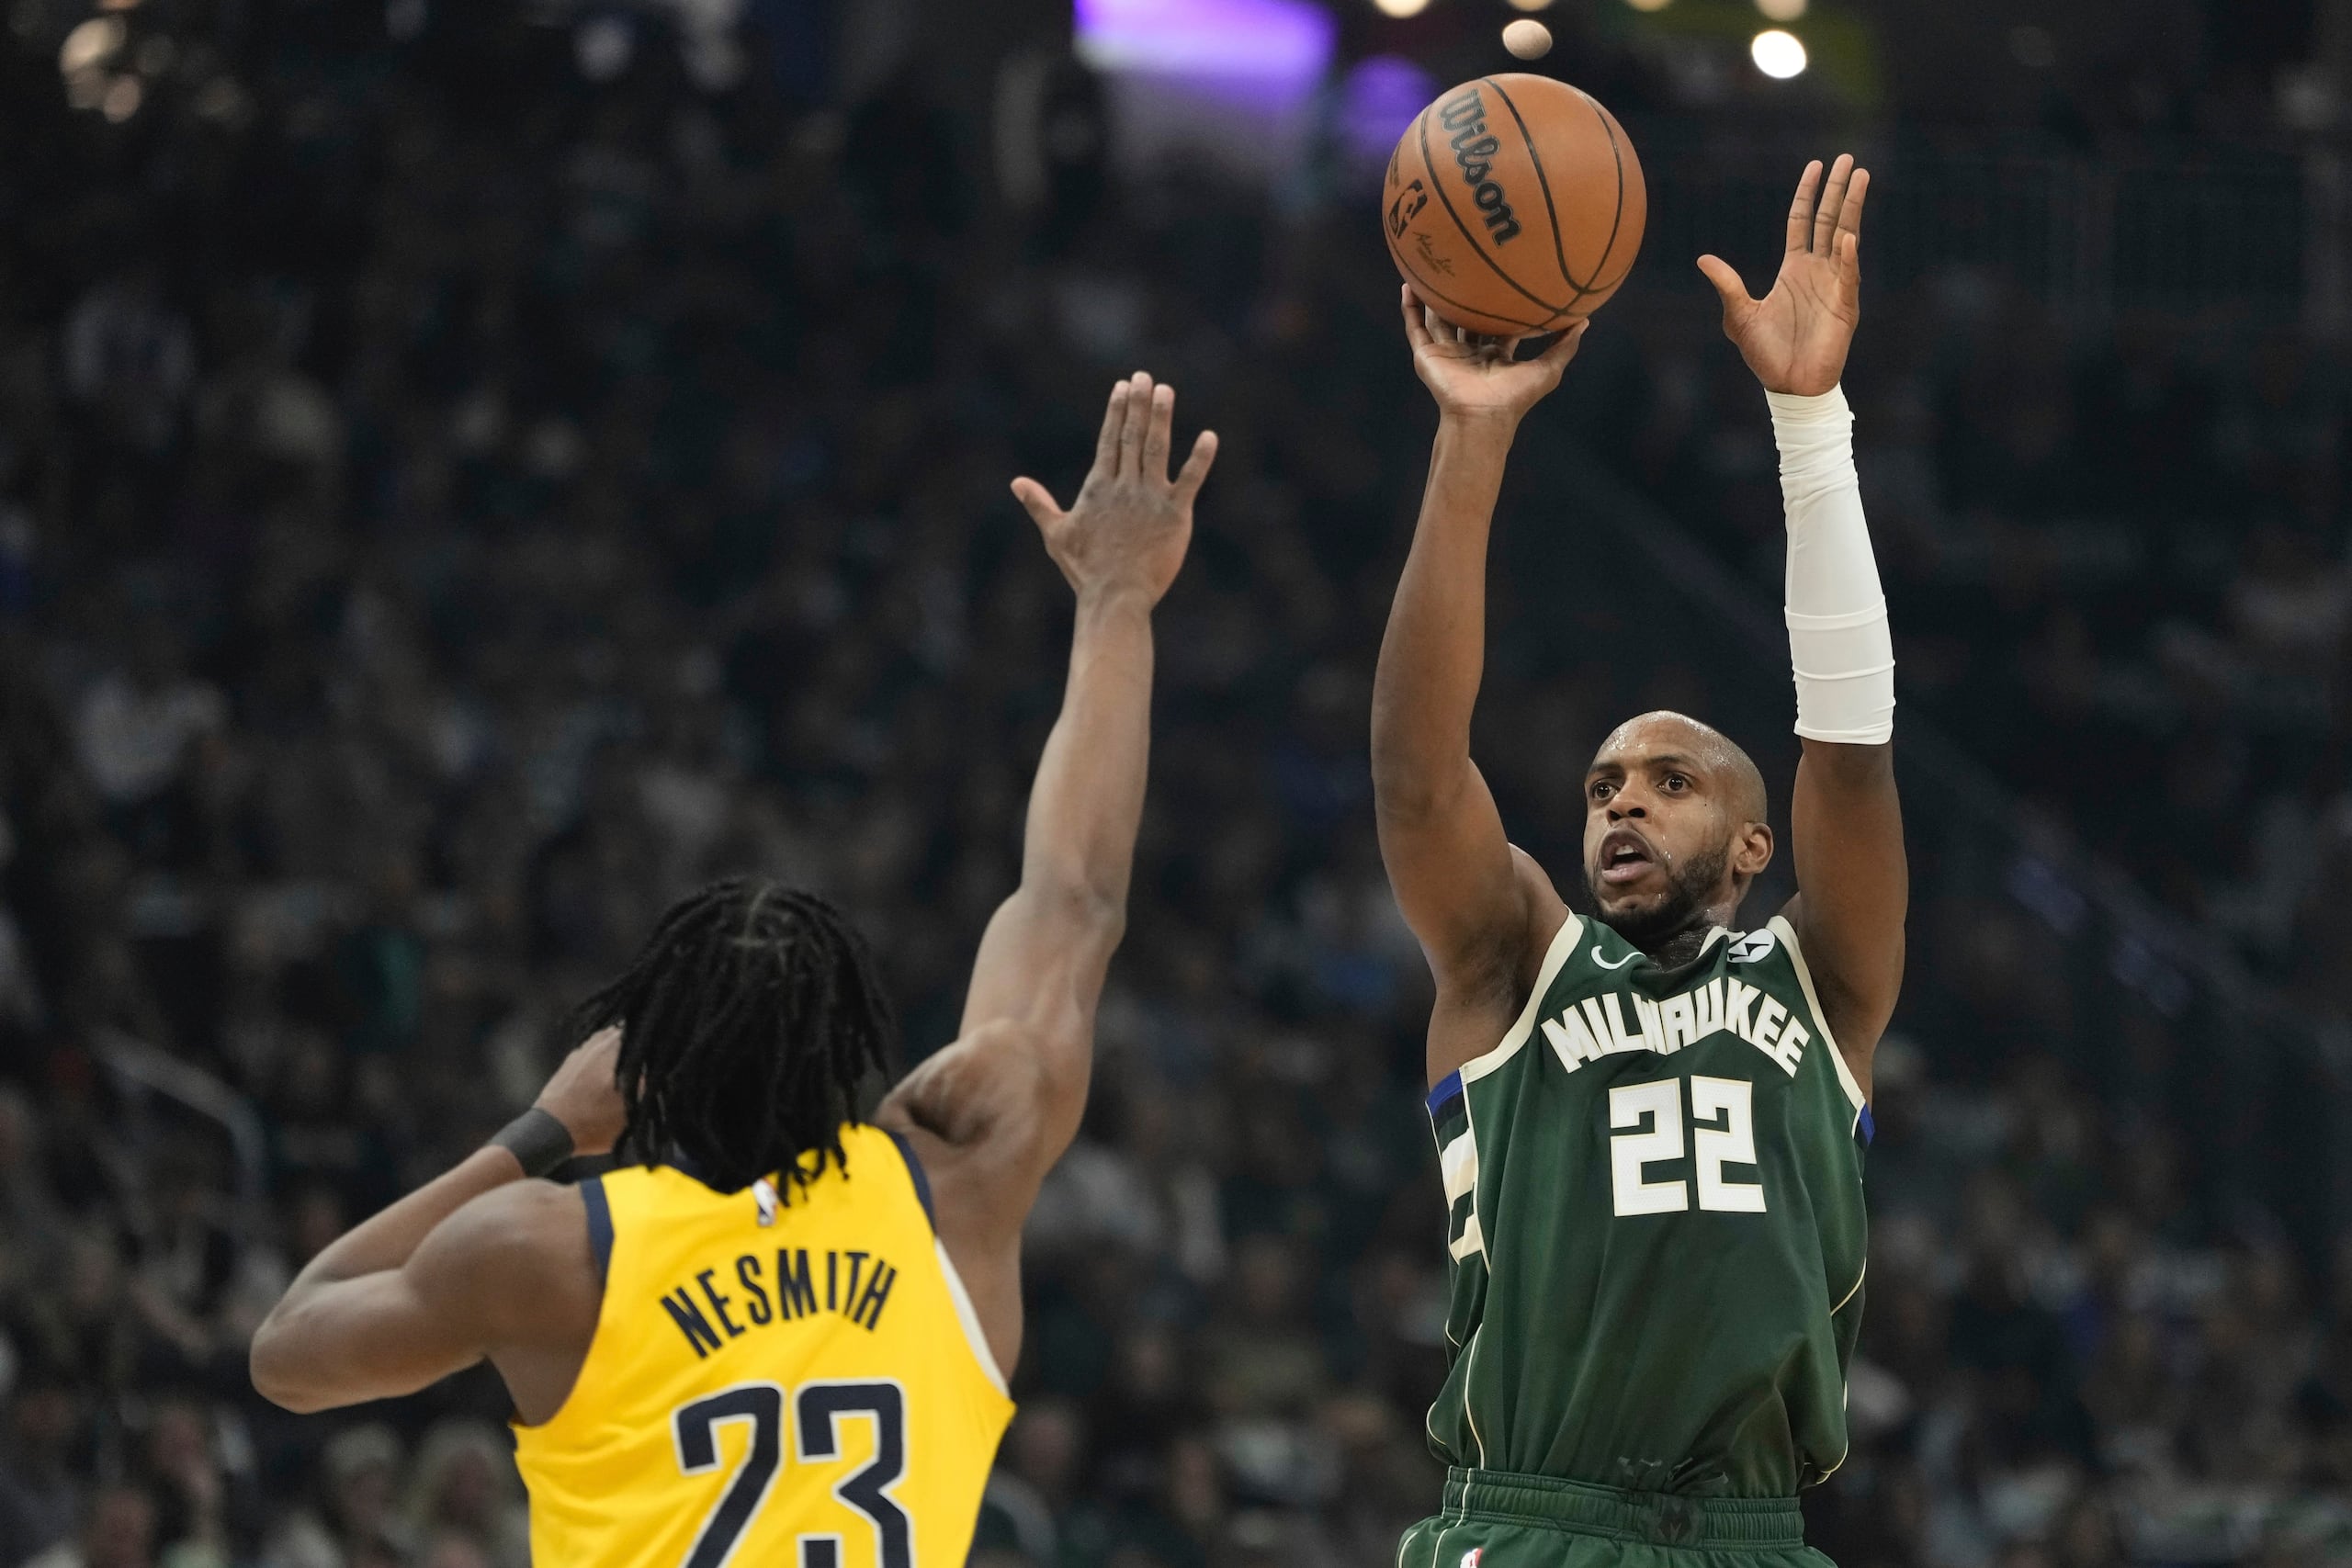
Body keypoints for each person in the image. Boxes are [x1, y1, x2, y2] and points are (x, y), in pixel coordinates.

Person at [248, 371, 1218, 1568]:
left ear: (642, 1066)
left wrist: (542, 1130)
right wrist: (1118, 598)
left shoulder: (549, 1249)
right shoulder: (959, 1182)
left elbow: (287, 1352)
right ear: (851, 1051)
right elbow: (1075, 901)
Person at [1372, 157, 1905, 1565]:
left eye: (1670, 784)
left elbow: (1850, 752)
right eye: (1603, 784)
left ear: (1751, 841)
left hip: (1755, 1535)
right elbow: (1417, 775)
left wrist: (1809, 422)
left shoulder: (1823, 989)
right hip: (1537, 1526)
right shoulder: (1515, 967)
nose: (1619, 806)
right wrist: (1473, 438)